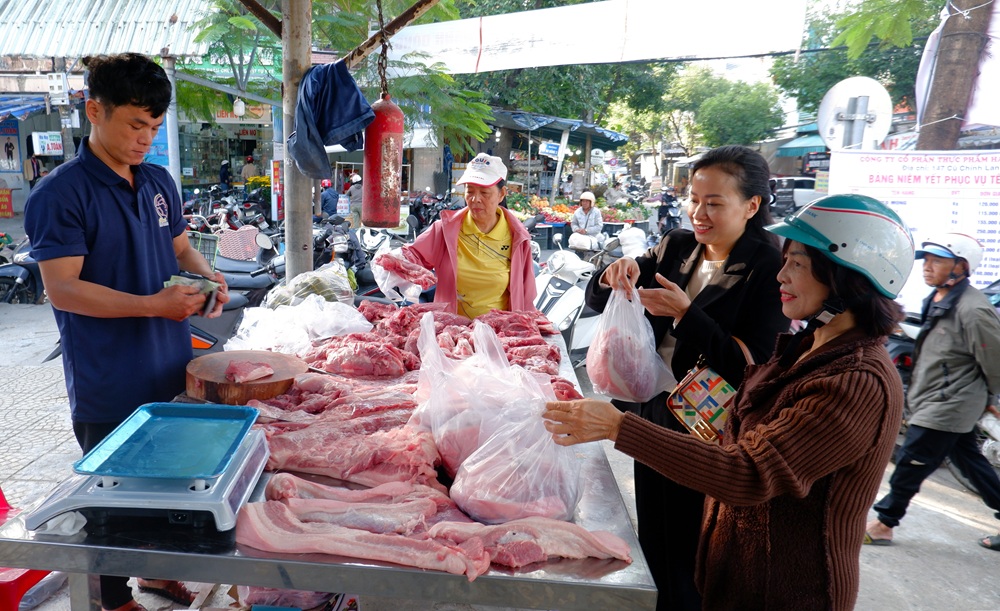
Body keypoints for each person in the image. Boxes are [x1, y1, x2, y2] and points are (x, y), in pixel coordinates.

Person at [545, 193, 915, 610]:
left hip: (787, 593)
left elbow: (750, 473)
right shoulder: (809, 345)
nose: (781, 275)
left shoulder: (856, 381)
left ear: (847, 279)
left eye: (797, 264)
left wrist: (618, 427)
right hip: (735, 574)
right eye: (785, 260)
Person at [24, 53, 228, 611]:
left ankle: (157, 574)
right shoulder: (60, 195)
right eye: (136, 125)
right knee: (110, 503)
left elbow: (181, 246)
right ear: (95, 109)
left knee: (168, 491)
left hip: (167, 369)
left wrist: (211, 278)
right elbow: (63, 288)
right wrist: (152, 305)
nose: (146, 139)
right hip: (108, 381)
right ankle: (112, 600)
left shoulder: (159, 181)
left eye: (155, 128)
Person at [580, 145, 790, 610]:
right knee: (654, 531)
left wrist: (687, 314)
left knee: (693, 547)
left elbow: (753, 366)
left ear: (751, 205)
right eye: (694, 199)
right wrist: (611, 273)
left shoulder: (768, 269)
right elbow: (600, 299)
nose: (699, 212)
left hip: (711, 429)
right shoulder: (678, 246)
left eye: (714, 202)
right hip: (654, 413)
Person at [865, 233, 1000, 550]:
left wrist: (991, 399)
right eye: (926, 260)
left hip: (949, 404)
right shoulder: (939, 298)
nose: (927, 267)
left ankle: (884, 523)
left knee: (912, 462)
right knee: (972, 465)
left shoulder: (973, 310)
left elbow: (994, 359)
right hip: (938, 398)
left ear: (961, 267)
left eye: (937, 260)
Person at [401, 153, 536, 319]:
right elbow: (411, 257)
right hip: (451, 331)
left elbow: (526, 294)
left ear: (502, 194)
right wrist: (392, 262)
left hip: (498, 331)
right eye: (469, 191)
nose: (475, 199)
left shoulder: (517, 237)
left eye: (485, 193)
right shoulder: (445, 230)